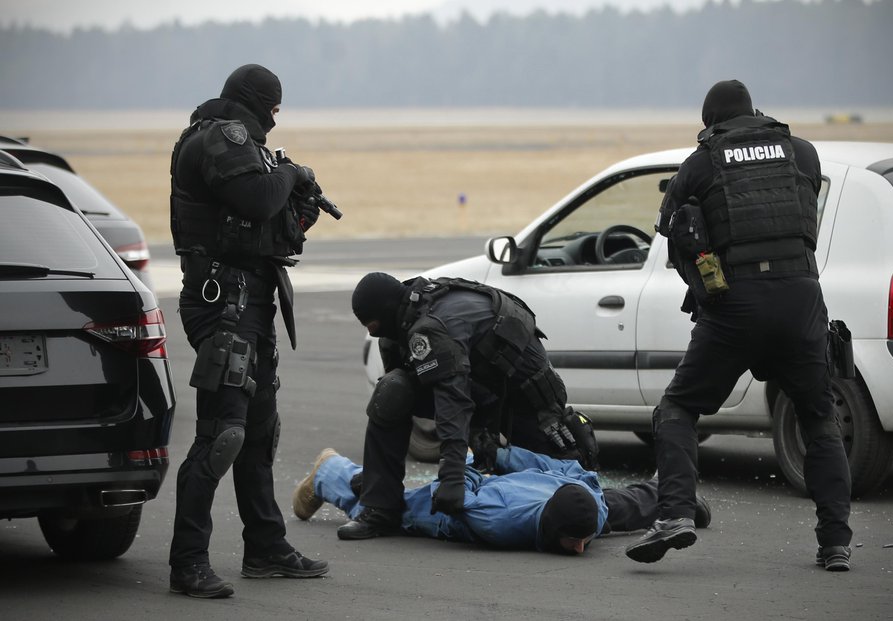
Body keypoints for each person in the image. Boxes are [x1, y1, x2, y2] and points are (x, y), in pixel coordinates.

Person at [625, 80, 852, 570]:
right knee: (818, 418)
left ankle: (675, 515)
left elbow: (674, 237)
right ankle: (835, 542)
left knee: (678, 408)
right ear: (753, 111)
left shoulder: (701, 163)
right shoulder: (803, 153)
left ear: (711, 122)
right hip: (801, 298)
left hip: (735, 307)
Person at [167, 64, 330, 598]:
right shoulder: (219, 138)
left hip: (253, 298)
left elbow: (271, 223)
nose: (274, 120)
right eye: (273, 109)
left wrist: (297, 206)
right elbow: (260, 199)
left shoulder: (250, 149)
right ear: (257, 101)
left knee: (259, 434)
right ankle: (188, 562)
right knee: (222, 435)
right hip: (221, 301)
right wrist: (295, 175)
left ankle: (265, 547)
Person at [343, 272, 600, 540]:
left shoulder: (431, 327)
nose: (371, 332)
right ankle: (380, 507)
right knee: (392, 391)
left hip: (529, 404)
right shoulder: (399, 324)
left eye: (372, 324)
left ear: (384, 312)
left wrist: (452, 476)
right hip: (480, 388)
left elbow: (452, 400)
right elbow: (404, 397)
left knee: (569, 496)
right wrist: (379, 478)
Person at [292, 445, 711, 554]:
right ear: (549, 530)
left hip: (542, 492)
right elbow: (452, 495)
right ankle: (331, 473)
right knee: (390, 509)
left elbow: (572, 471)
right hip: (457, 503)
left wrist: (507, 456)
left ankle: (677, 495)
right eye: (575, 542)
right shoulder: (498, 521)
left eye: (582, 539)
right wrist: (476, 465)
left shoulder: (589, 505)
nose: (583, 548)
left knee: (623, 506)